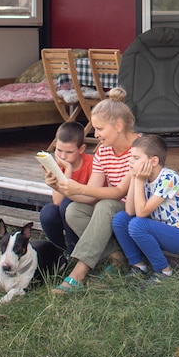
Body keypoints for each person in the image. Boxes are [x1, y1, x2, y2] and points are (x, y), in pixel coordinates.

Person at [45, 87, 137, 294]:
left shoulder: (140, 149)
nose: (95, 134)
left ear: (119, 126)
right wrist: (59, 186)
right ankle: (116, 256)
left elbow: (118, 192)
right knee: (73, 210)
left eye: (100, 129)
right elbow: (90, 194)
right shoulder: (103, 151)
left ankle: (78, 273)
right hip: (113, 210)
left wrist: (78, 187)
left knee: (105, 204)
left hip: (137, 210)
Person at [111, 134, 179, 280]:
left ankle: (163, 270)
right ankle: (138, 265)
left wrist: (138, 180)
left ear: (153, 161)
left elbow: (141, 214)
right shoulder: (143, 177)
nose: (130, 161)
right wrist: (134, 178)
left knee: (137, 224)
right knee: (120, 219)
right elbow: (130, 211)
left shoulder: (168, 178)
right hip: (162, 230)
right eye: (130, 157)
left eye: (136, 158)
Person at [38, 121, 94, 258]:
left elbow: (92, 197)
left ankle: (73, 250)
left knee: (67, 204)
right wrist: (64, 172)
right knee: (48, 212)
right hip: (64, 208)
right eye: (59, 150)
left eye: (69, 152)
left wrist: (68, 170)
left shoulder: (91, 164)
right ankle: (57, 251)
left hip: (85, 212)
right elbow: (56, 201)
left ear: (81, 149)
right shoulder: (58, 165)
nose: (62, 156)